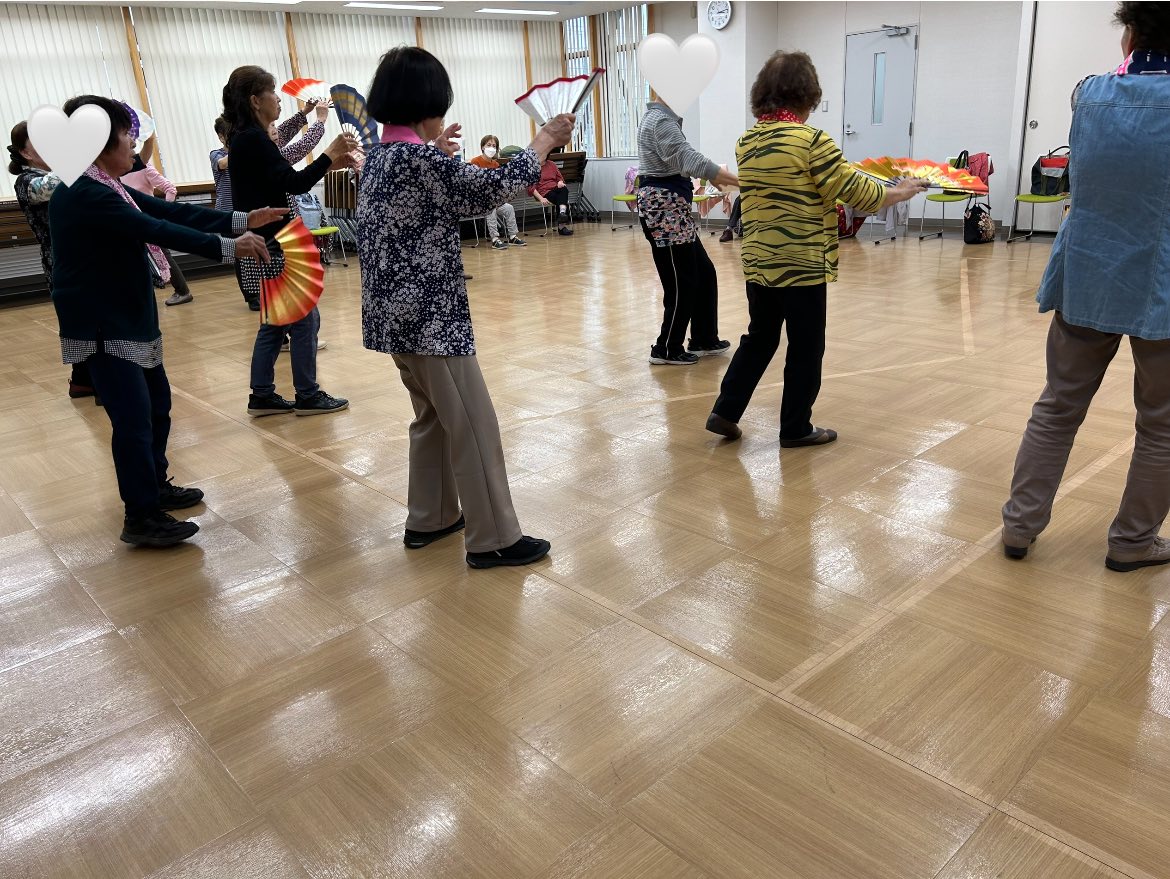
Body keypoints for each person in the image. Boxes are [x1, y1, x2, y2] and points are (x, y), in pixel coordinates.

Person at [358, 46, 573, 569]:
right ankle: (493, 538)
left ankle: (430, 516)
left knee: (432, 418)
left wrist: (436, 149)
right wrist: (544, 140)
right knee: (475, 424)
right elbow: (487, 191)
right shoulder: (418, 160)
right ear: (426, 104)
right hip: (431, 319)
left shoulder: (380, 157)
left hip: (394, 318)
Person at [48, 95, 281, 546]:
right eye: (126, 134)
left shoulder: (105, 184)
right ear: (99, 142)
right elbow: (155, 229)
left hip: (128, 314)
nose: (133, 143)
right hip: (103, 322)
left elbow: (169, 210)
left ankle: (154, 486)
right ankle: (140, 516)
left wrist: (241, 219)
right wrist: (230, 246)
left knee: (156, 406)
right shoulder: (84, 191)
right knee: (133, 420)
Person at [1002, 2, 1170, 572]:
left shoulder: (1088, 94)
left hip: (1088, 273)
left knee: (1057, 406)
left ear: (1131, 34)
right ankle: (1132, 543)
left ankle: (1019, 526)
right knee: (1162, 425)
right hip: (1161, 285)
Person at [705, 52, 926, 446]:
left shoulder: (748, 141)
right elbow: (855, 191)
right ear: (806, 94)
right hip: (802, 261)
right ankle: (795, 428)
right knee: (806, 345)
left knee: (760, 337)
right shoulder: (811, 141)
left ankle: (725, 410)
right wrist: (901, 191)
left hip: (759, 259)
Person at [221, 65, 356, 416]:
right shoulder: (253, 139)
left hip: (271, 238)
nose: (278, 99)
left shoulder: (247, 138)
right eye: (272, 92)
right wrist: (329, 153)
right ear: (255, 100)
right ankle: (307, 394)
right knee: (304, 318)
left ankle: (262, 394)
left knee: (276, 320)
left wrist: (329, 162)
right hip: (279, 239)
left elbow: (281, 178)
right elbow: (294, 183)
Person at [636, 96, 737, 365]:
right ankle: (666, 348)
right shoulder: (660, 121)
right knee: (681, 282)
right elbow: (688, 160)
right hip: (664, 209)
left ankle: (704, 338)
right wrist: (742, 182)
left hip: (673, 208)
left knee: (704, 272)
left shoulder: (664, 118)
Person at [8, 120, 95, 400]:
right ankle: (93, 381)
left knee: (86, 320)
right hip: (62, 263)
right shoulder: (26, 181)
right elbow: (51, 185)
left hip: (80, 258)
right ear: (26, 153)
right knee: (81, 322)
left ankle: (84, 381)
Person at [121, 145, 193, 306]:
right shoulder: (118, 172)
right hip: (131, 220)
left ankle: (183, 291)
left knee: (163, 255)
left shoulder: (144, 167)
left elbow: (170, 188)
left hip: (148, 219)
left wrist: (164, 211)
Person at [470, 134, 525, 250]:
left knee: (509, 208)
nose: (491, 148)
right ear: (482, 147)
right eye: (488, 145)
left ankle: (512, 236)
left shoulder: (495, 164)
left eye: (494, 146)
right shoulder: (475, 162)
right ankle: (495, 239)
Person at [528, 154, 573, 236]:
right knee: (560, 197)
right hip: (543, 192)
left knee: (564, 189)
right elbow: (531, 188)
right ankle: (562, 225)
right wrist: (541, 198)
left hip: (555, 188)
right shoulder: (532, 168)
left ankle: (562, 213)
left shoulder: (551, 164)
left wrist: (560, 182)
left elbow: (560, 178)